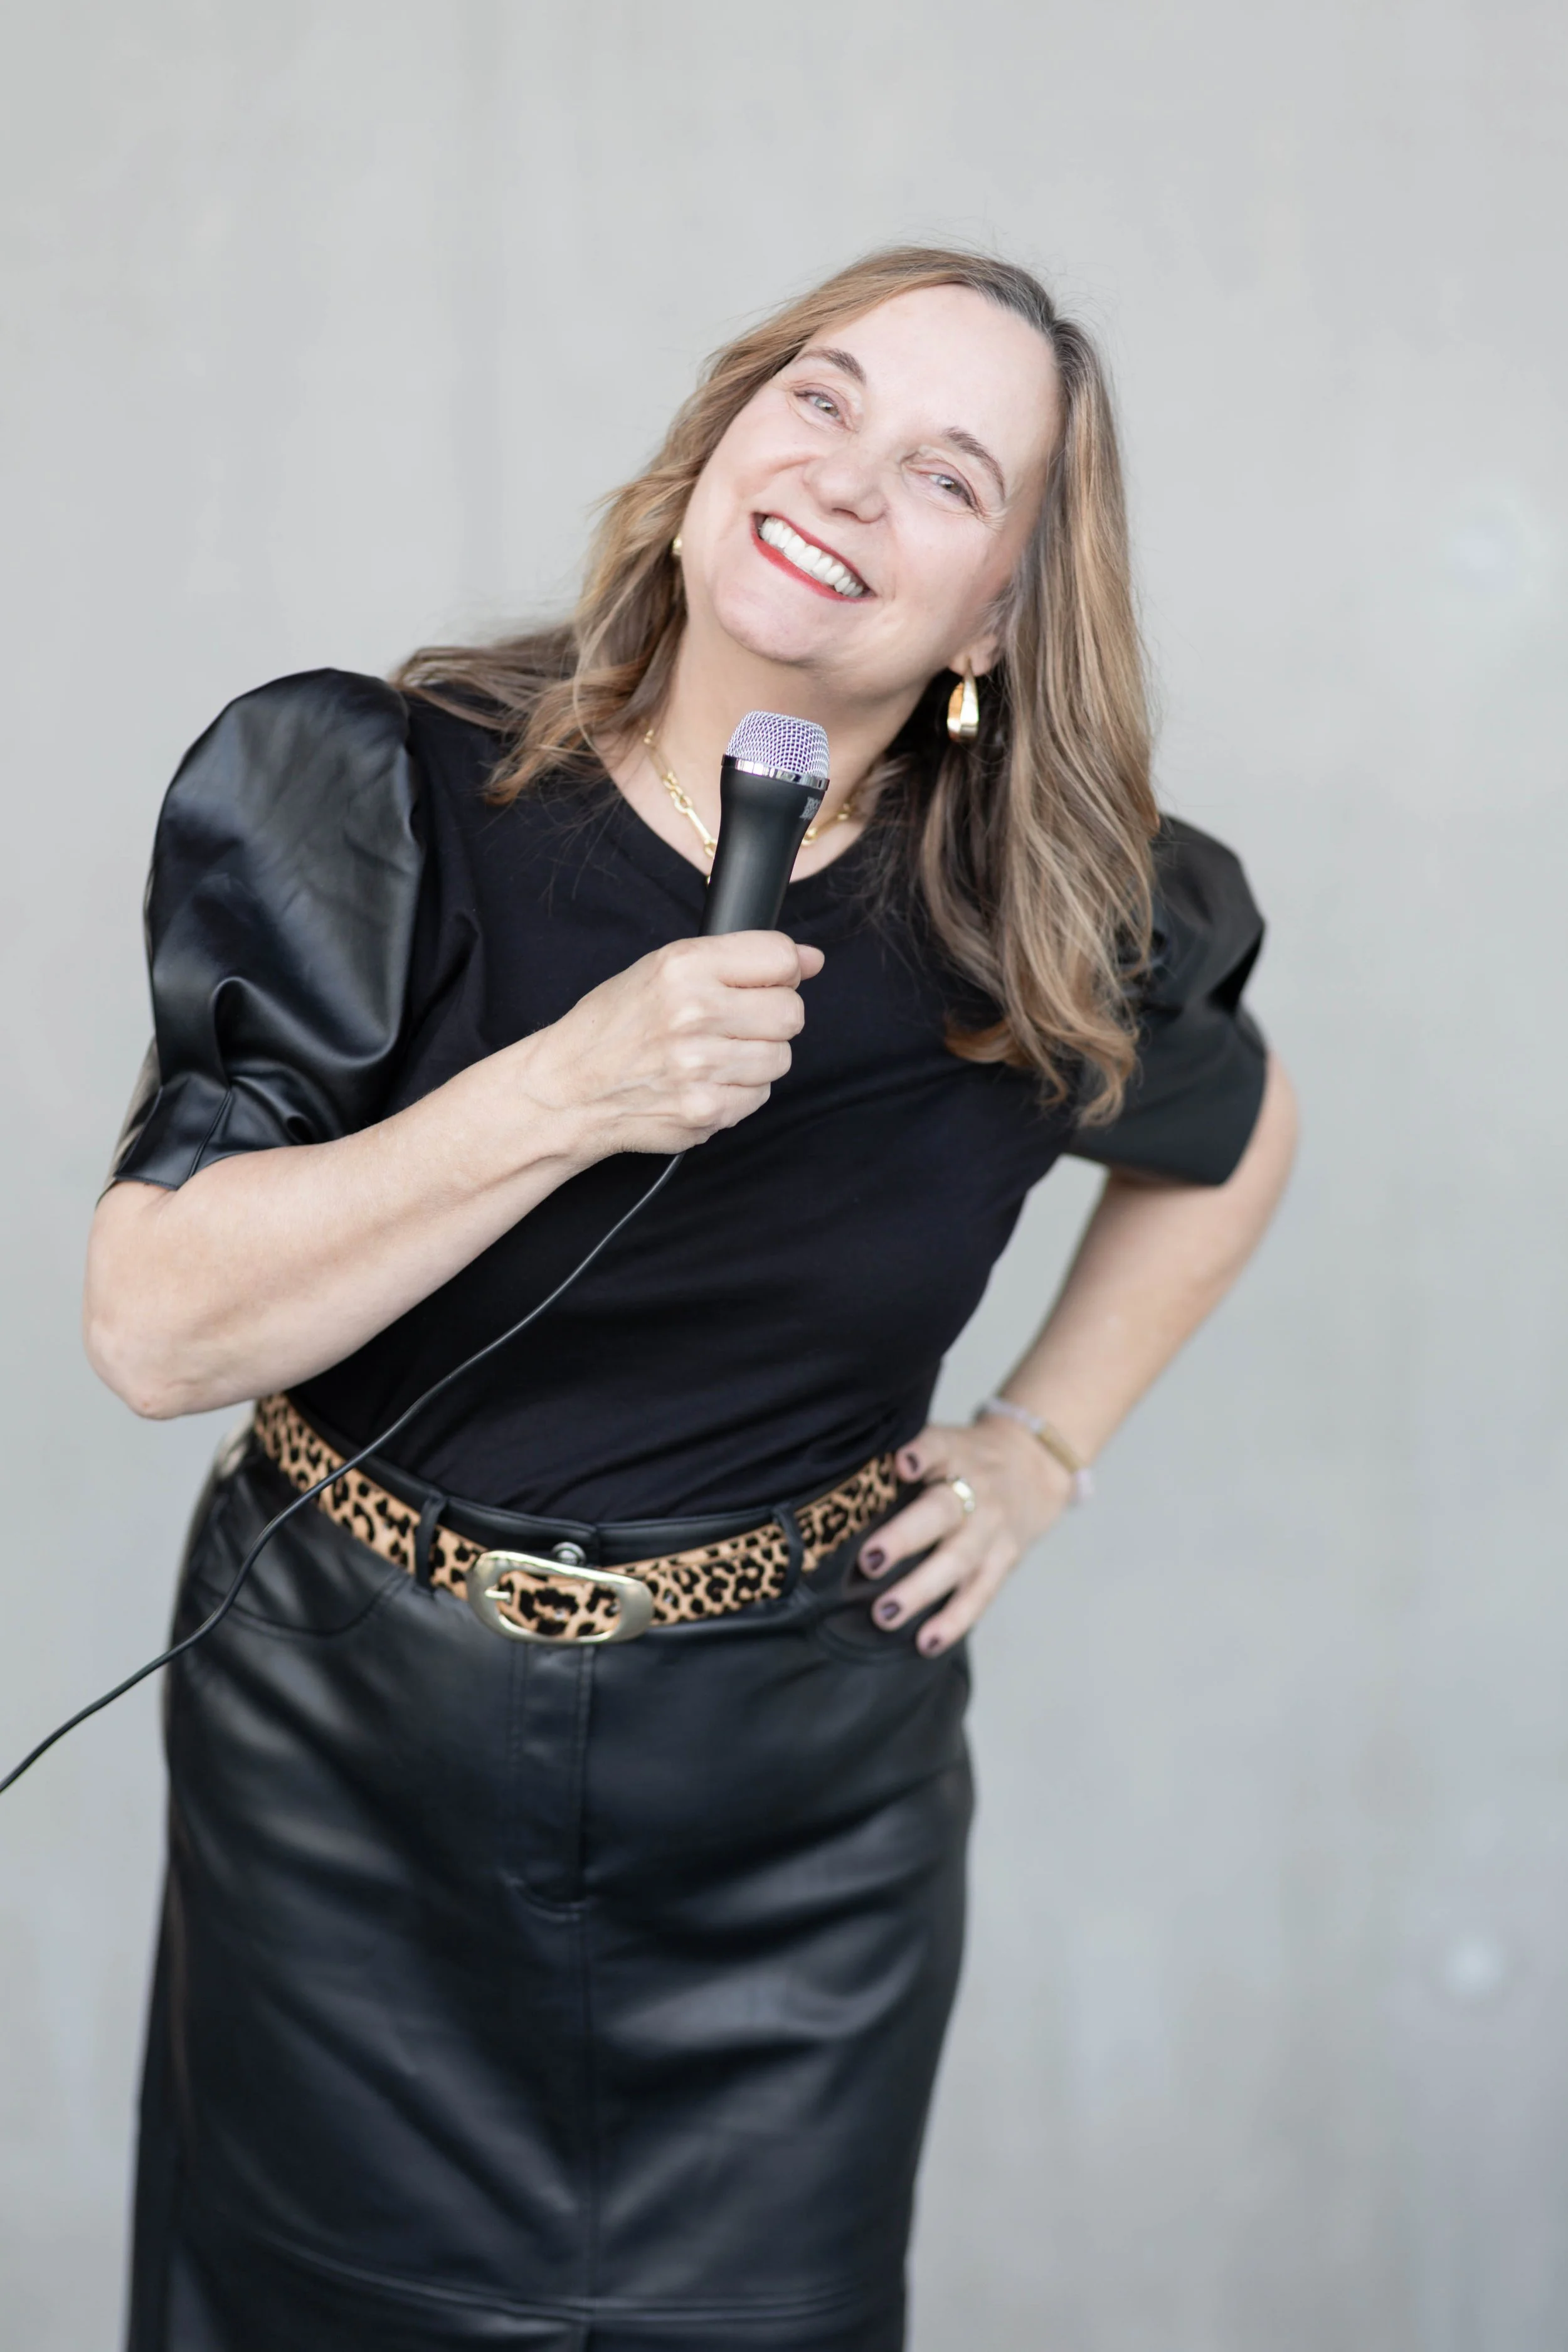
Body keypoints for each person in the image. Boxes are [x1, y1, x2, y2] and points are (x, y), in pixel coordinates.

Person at [87, 245, 1297, 2352]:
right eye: (816, 399)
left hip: (791, 1820)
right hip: (344, 1758)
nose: (841, 477)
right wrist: (562, 1088)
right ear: (719, 439)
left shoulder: (1061, 908)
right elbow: (158, 1327)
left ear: (997, 607)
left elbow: (1237, 1134)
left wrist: (1037, 1446)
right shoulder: (376, 789)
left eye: (942, 474)